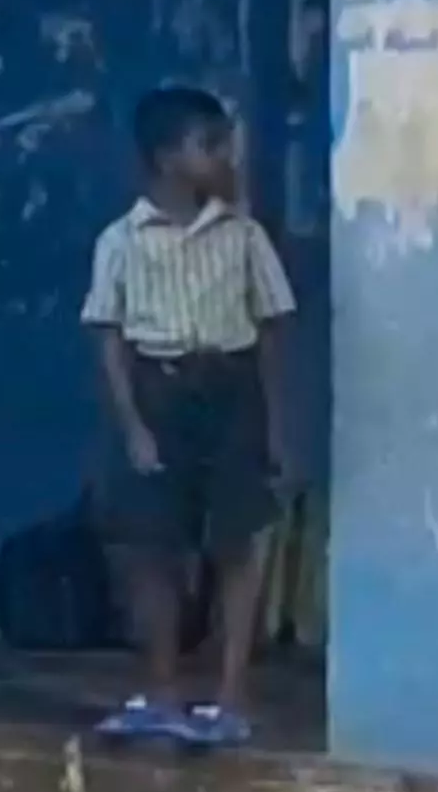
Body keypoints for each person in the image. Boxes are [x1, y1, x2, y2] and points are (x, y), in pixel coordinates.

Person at [83, 87, 300, 749]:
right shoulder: (120, 240)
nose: (221, 156)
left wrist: (274, 423)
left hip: (229, 389)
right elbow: (109, 339)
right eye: (206, 145)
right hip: (158, 390)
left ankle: (230, 695)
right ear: (165, 157)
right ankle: (163, 690)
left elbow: (269, 329)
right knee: (151, 546)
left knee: (237, 538)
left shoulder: (243, 236)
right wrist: (132, 426)